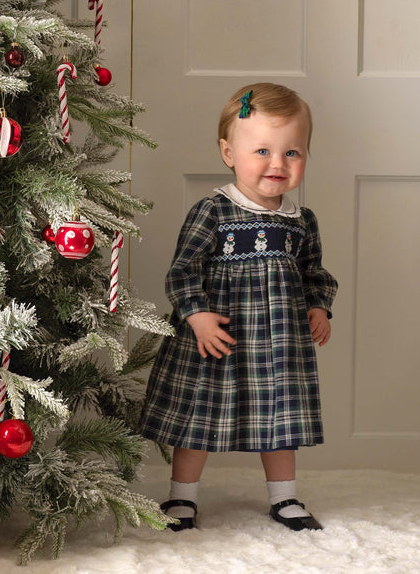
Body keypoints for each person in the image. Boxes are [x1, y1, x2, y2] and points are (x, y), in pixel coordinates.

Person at [139, 83, 338, 532]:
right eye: (263, 150)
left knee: (279, 417)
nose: (277, 164)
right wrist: (197, 314)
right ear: (228, 152)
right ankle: (182, 497)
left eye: (292, 153)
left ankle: (284, 496)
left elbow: (314, 274)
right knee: (199, 419)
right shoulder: (213, 211)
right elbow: (183, 270)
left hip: (277, 343)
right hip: (219, 338)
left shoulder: (301, 222)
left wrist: (318, 308)